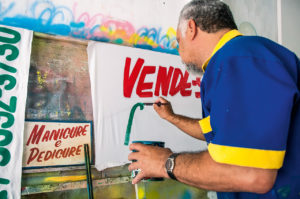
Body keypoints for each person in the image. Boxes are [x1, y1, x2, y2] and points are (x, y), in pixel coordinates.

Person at [128, 0, 300, 198]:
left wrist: (164, 163)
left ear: (191, 28)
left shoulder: (239, 59)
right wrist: (171, 116)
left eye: (178, 40)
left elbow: (252, 174)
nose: (178, 50)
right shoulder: (233, 61)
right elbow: (213, 130)